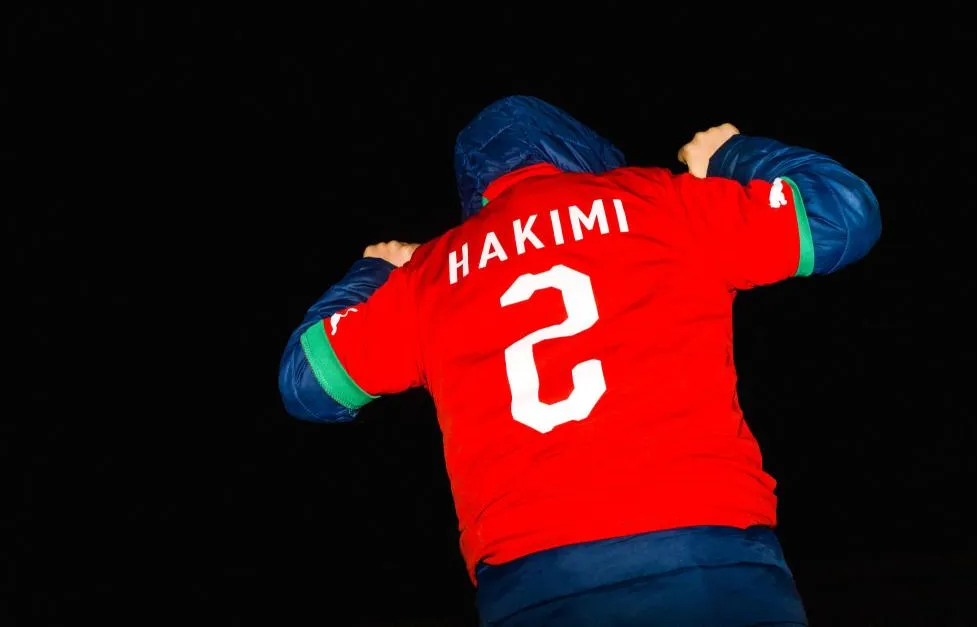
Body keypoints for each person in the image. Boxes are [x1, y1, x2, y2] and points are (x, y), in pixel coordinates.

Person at [278, 96, 881, 626]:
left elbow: (307, 384)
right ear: (583, 156)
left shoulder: (431, 275)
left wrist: (375, 270)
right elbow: (842, 213)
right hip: (710, 554)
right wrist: (732, 154)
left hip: (533, 582)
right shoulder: (658, 199)